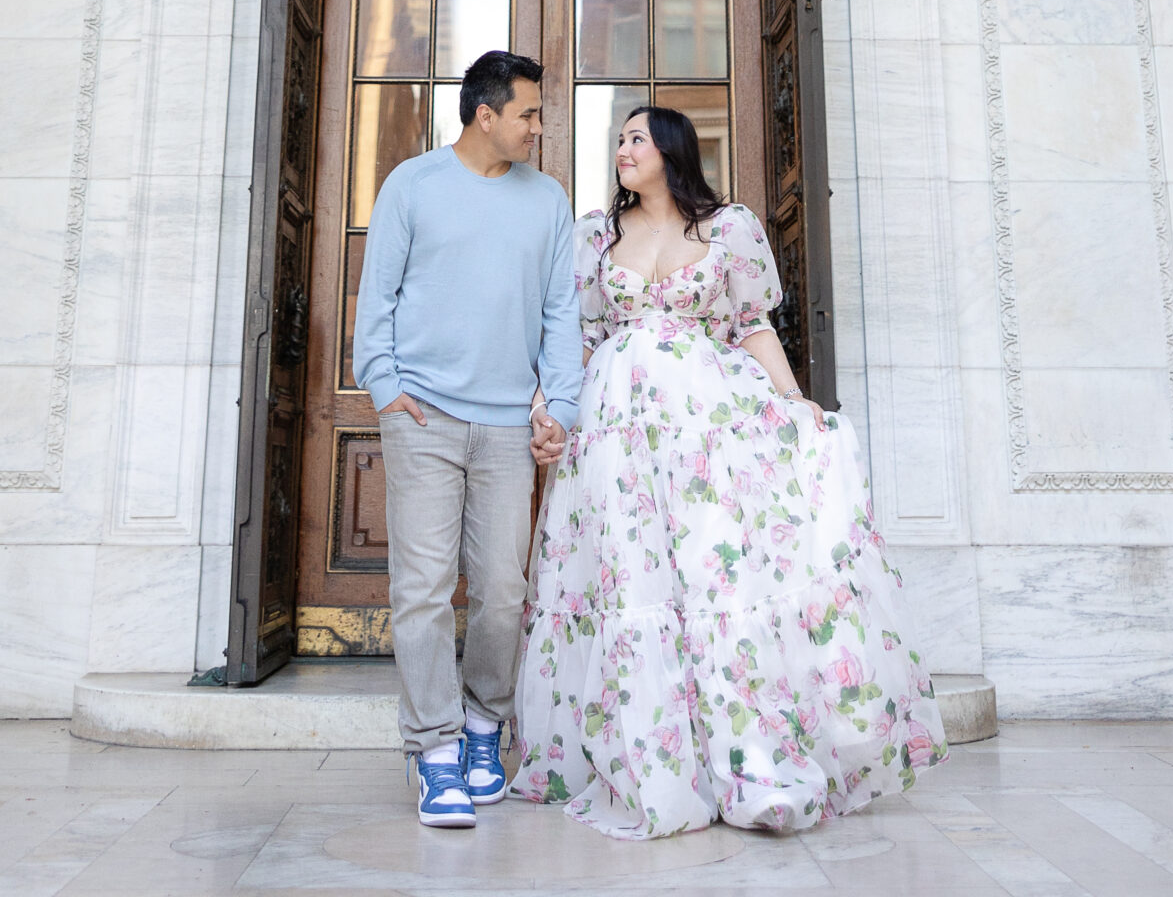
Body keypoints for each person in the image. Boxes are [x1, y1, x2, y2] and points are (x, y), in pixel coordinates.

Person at [511, 103, 947, 839]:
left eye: (636, 139)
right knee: (628, 578)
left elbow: (751, 326)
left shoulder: (727, 229)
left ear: (671, 151)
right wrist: (544, 408)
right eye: (619, 139)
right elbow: (580, 336)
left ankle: (745, 758)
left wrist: (794, 400)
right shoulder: (596, 234)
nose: (622, 149)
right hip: (617, 435)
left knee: (714, 576)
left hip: (705, 428)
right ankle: (645, 761)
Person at [353, 50, 581, 831]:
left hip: (509, 427)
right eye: (528, 113)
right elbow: (376, 293)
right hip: (423, 419)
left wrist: (563, 407)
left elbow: (560, 315)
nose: (537, 126)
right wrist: (384, 387)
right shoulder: (411, 185)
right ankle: (434, 751)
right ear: (485, 114)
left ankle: (485, 727)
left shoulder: (546, 200)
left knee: (502, 594)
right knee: (419, 593)